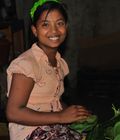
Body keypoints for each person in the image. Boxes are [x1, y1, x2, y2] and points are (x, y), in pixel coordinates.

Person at [6, 0, 91, 139]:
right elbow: (13, 112)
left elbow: (52, 101)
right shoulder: (27, 64)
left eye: (60, 23)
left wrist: (74, 113)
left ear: (66, 27)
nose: (54, 30)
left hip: (53, 126)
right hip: (30, 133)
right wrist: (60, 116)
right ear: (35, 30)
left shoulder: (59, 62)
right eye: (45, 24)